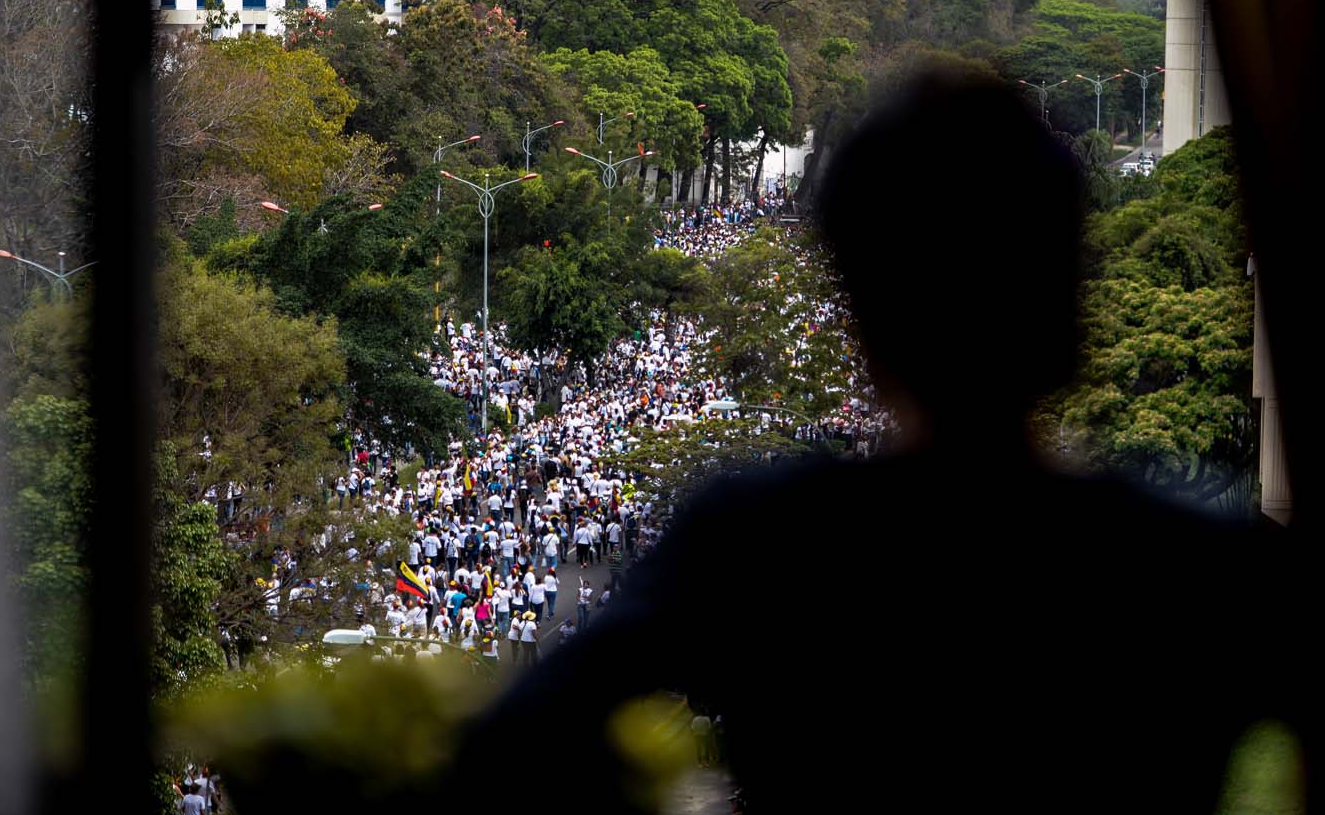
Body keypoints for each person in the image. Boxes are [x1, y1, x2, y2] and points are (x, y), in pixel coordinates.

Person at [444, 76, 1304, 815]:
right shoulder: (1193, 571)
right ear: (1071, 300)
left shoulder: (763, 544)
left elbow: (508, 750)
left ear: (859, 315)